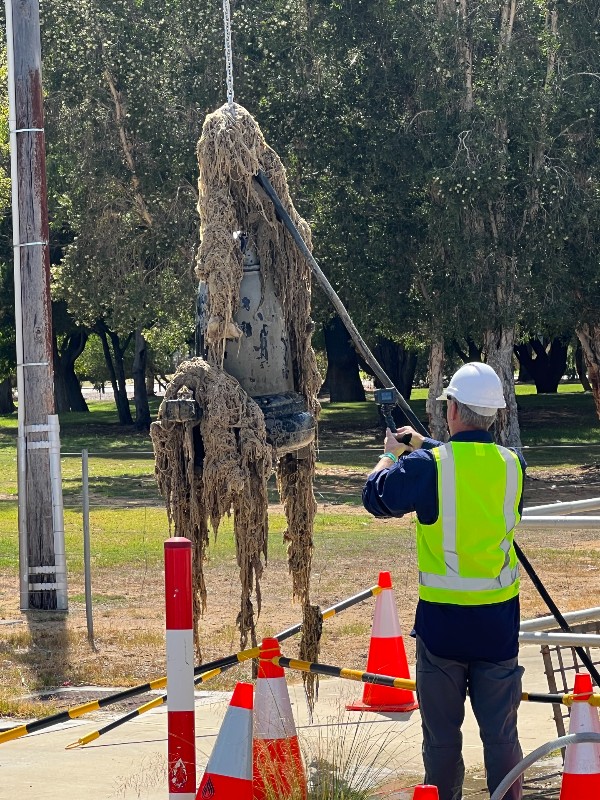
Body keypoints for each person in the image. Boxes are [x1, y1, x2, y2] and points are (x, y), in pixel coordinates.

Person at [362, 362, 526, 800]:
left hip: (442, 631)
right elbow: (469, 464)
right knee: (503, 738)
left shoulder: (425, 467)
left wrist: (390, 455)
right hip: (498, 627)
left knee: (441, 741)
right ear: (494, 413)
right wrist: (420, 445)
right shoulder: (514, 466)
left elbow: (373, 497)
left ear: (452, 409)